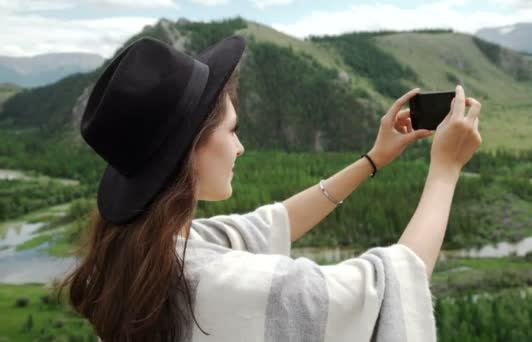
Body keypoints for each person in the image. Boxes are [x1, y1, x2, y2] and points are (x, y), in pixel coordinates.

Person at [59, 35, 482, 342]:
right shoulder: (231, 284)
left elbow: (271, 223)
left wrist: (373, 159)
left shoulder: (140, 257)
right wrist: (445, 170)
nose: (240, 147)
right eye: (232, 130)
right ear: (190, 152)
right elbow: (387, 286)